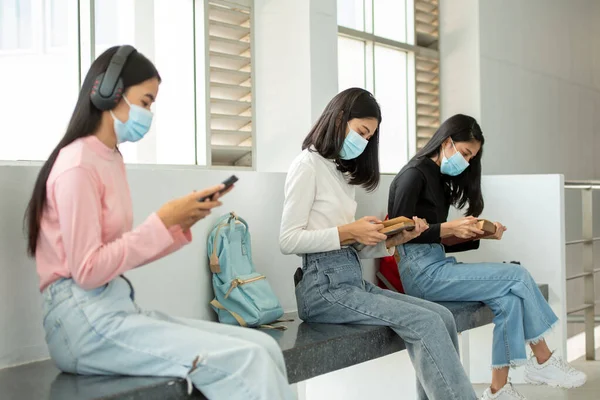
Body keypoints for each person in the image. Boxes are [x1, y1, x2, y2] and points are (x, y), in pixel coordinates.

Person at [24, 45, 294, 400]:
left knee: (265, 347)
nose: (149, 112)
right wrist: (161, 222)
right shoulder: (77, 165)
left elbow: (116, 256)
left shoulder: (108, 159)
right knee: (248, 361)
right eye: (146, 101)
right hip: (81, 324)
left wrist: (177, 223)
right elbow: (88, 270)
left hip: (114, 308)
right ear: (109, 92)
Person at [280, 88, 479, 400]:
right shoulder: (307, 165)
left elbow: (352, 245)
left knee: (441, 315)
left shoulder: (338, 174)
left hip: (349, 281)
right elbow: (288, 239)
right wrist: (350, 230)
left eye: (369, 136)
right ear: (339, 119)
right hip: (322, 289)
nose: (364, 140)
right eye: (362, 131)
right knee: (425, 321)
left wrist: (396, 238)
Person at [388, 114, 587, 400]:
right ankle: (543, 361)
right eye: (465, 153)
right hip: (421, 274)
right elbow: (396, 236)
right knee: (517, 276)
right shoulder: (412, 175)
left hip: (437, 265)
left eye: (471, 158)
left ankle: (498, 389)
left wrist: (475, 235)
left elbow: (437, 239)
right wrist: (449, 227)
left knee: (508, 299)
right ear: (447, 142)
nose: (466, 162)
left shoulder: (439, 179)